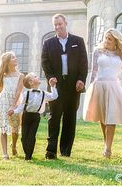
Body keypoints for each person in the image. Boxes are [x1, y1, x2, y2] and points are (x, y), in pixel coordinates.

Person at [83, 28, 122, 159]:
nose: (106, 41)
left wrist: (118, 88)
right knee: (103, 118)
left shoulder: (121, 55)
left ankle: (108, 149)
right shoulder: (98, 51)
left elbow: (119, 73)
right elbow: (94, 71)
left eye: (110, 39)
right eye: (106, 38)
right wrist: (90, 86)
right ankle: (106, 144)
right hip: (99, 85)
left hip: (113, 87)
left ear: (116, 41)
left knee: (111, 118)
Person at [41, 13, 88, 159]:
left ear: (65, 23)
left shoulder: (78, 41)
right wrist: (50, 77)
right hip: (56, 86)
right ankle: (51, 151)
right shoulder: (48, 43)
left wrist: (81, 79)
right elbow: (45, 62)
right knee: (54, 117)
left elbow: (83, 62)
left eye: (60, 24)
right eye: (55, 24)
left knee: (70, 117)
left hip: (73, 85)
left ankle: (66, 150)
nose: (57, 27)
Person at [8, 73, 58, 160]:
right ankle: (26, 152)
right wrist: (14, 111)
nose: (38, 77)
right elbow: (21, 107)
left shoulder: (43, 93)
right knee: (24, 137)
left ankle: (28, 156)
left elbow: (54, 96)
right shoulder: (25, 94)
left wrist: (52, 86)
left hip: (36, 117)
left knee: (32, 135)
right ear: (31, 82)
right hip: (26, 116)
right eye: (35, 77)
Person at [0, 51, 24, 160]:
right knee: (3, 128)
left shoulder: (21, 76)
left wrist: (13, 105)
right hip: (2, 102)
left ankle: (14, 145)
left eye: (15, 57)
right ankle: (5, 154)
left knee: (15, 129)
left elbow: (18, 92)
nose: (16, 59)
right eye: (13, 58)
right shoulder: (3, 75)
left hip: (15, 102)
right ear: (7, 62)